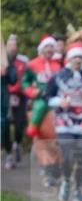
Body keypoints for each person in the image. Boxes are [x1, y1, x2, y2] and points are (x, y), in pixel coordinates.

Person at [45, 42, 82, 201]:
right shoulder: (57, 77)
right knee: (68, 154)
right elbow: (47, 98)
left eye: (81, 57)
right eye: (75, 56)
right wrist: (59, 101)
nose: (78, 59)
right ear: (69, 59)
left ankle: (78, 191)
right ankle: (66, 181)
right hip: (64, 122)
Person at [23, 34, 63, 186]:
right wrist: (32, 92)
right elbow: (25, 82)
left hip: (54, 105)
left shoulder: (58, 65)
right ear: (41, 48)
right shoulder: (32, 64)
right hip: (38, 101)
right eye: (47, 46)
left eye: (52, 47)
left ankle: (56, 167)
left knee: (55, 138)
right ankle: (47, 173)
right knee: (41, 141)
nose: (50, 49)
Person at [4, 34, 29, 169]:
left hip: (20, 96)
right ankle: (8, 154)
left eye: (14, 45)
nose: (12, 48)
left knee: (20, 125)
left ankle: (17, 143)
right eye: (10, 45)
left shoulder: (24, 61)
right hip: (5, 97)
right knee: (5, 125)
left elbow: (26, 78)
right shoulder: (2, 60)